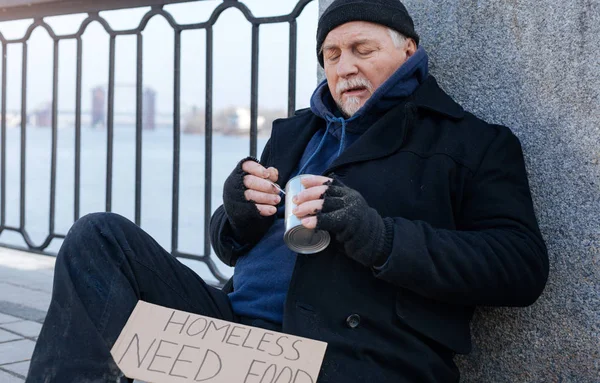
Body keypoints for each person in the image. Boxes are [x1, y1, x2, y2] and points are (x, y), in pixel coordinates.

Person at [27, 0, 549, 381]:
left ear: (408, 49)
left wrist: (381, 238)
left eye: (362, 49)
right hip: (232, 334)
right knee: (97, 237)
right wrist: (237, 214)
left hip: (347, 355)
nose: (345, 67)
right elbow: (227, 244)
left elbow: (521, 267)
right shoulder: (295, 132)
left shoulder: (472, 142)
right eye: (332, 53)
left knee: (124, 350)